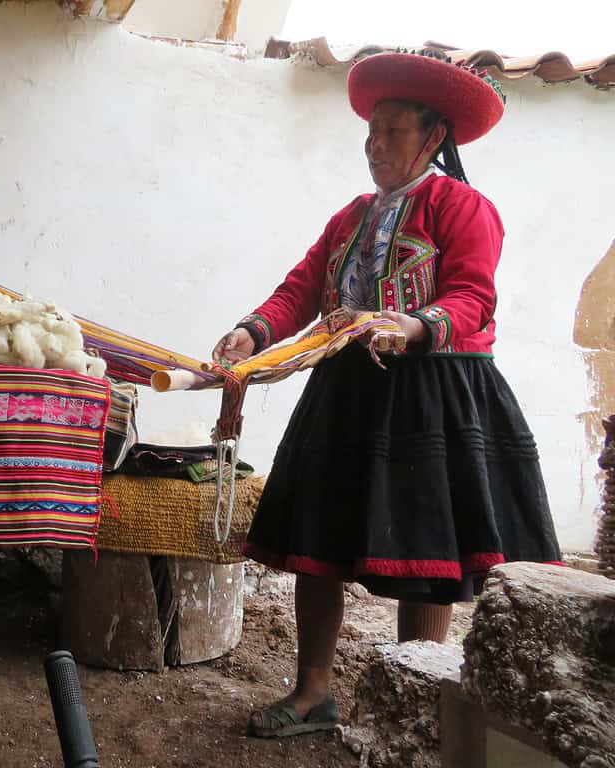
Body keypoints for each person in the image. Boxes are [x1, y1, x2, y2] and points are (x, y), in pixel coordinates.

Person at [211, 50, 561, 739]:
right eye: (370, 133)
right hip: (345, 392)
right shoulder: (351, 215)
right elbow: (301, 288)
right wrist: (252, 333)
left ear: (434, 138)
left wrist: (415, 325)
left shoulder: (463, 207)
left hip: (432, 394)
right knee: (319, 540)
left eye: (392, 132)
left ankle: (420, 699)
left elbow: (474, 296)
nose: (374, 146)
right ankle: (313, 691)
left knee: (427, 552)